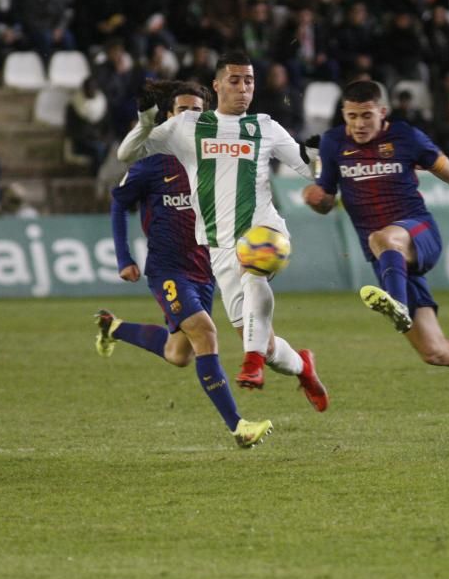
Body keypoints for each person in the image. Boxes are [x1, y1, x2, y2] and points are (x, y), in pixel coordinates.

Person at [117, 51, 329, 416]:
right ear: (216, 86)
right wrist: (145, 121)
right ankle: (301, 365)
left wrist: (315, 155)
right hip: (219, 246)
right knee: (267, 342)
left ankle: (251, 363)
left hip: (265, 230)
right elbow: (127, 153)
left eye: (249, 80)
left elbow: (310, 171)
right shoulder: (188, 128)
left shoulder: (266, 126)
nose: (243, 88)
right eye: (235, 80)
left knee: (254, 265)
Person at [302, 80, 449, 398]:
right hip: (389, 262)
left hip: (418, 234)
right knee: (435, 352)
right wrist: (315, 198)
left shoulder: (407, 137)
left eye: (366, 116)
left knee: (382, 237)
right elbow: (327, 202)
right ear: (344, 114)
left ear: (382, 112)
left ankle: (396, 304)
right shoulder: (332, 144)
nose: (359, 124)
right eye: (352, 116)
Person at [96, 81, 273, 449]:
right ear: (169, 118)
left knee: (179, 354)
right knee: (207, 333)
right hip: (168, 270)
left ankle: (113, 328)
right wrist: (124, 257)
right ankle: (238, 426)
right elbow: (118, 202)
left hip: (205, 271)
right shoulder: (151, 164)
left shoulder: (219, 160)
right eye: (183, 111)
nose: (191, 117)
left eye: (197, 111)